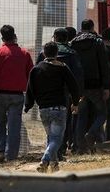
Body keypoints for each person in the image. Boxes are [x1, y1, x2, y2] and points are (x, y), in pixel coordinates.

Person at [25, 42, 80, 173]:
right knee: (57, 139)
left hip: (43, 109)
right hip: (59, 108)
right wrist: (75, 102)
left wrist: (28, 104)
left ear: (44, 53)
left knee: (51, 137)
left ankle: (54, 166)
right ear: (57, 54)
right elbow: (74, 86)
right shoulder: (62, 68)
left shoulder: (36, 69)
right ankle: (44, 161)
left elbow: (30, 89)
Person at [0, 25, 33, 162]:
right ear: (14, 36)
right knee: (14, 125)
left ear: (2, 38)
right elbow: (30, 75)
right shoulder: (24, 54)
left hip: (0, 94)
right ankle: (11, 155)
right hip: (18, 95)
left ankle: (0, 151)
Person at [36, 28, 83, 158]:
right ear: (67, 39)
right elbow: (77, 76)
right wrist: (78, 95)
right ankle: (59, 150)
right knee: (64, 123)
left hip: (46, 94)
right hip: (64, 94)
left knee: (49, 125)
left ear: (55, 37)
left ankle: (52, 150)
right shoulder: (72, 54)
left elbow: (36, 72)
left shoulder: (43, 53)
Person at [70, 19, 110, 153]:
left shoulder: (73, 43)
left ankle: (80, 147)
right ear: (93, 28)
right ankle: (91, 133)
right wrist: (106, 86)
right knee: (102, 113)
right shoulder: (98, 42)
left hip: (80, 86)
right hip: (96, 85)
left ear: (81, 28)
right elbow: (104, 65)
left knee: (81, 116)